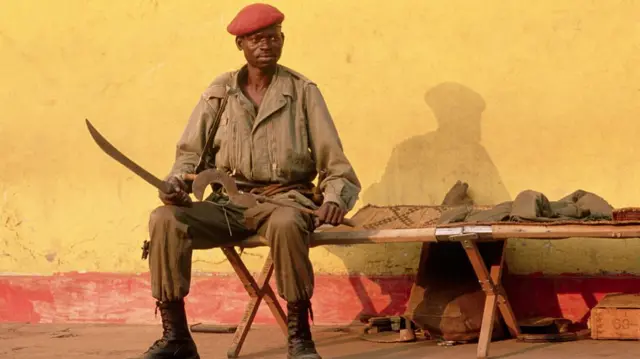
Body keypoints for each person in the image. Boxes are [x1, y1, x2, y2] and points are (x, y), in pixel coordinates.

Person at [132, 3, 361, 359]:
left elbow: (337, 164)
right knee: (164, 219)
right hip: (229, 204)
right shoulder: (219, 92)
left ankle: (299, 339)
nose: (267, 45)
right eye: (257, 39)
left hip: (285, 201)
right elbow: (189, 155)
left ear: (283, 40)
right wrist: (176, 182)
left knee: (286, 224)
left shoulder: (302, 91)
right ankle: (176, 337)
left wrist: (335, 198)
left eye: (273, 37)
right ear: (241, 45)